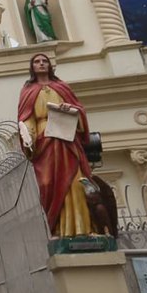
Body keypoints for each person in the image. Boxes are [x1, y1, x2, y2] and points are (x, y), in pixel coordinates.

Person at [18, 53, 93, 237]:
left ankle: (83, 229)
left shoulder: (62, 87)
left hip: (66, 138)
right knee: (47, 182)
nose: (41, 64)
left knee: (75, 183)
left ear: (50, 66)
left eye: (44, 61)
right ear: (32, 67)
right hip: (45, 141)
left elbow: (80, 111)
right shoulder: (28, 91)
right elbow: (26, 119)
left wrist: (71, 111)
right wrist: (28, 137)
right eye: (37, 61)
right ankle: (58, 228)